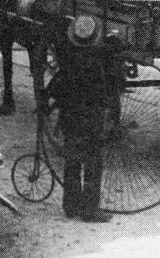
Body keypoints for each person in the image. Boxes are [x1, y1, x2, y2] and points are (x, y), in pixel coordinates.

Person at [50, 50, 120, 223]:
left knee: (72, 161)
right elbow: (109, 93)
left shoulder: (69, 59)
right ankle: (90, 210)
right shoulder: (99, 62)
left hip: (70, 118)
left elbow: (55, 90)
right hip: (90, 121)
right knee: (93, 162)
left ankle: (71, 206)